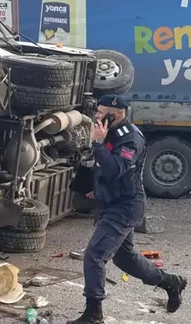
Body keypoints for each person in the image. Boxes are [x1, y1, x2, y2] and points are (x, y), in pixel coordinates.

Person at [67, 94, 187, 324]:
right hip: (109, 202)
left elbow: (115, 169)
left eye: (101, 112)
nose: (97, 116)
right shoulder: (108, 131)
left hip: (124, 206)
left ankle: (93, 313)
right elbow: (103, 168)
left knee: (94, 255)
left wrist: (97, 144)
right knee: (125, 259)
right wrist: (95, 186)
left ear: (116, 114)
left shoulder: (131, 138)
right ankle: (170, 282)